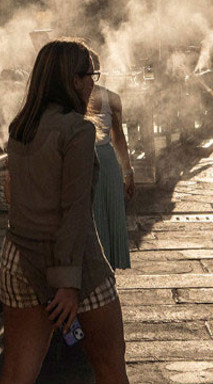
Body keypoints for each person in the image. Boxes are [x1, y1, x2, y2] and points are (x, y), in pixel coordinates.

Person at [0, 39, 127, 384]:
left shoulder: (21, 126)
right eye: (90, 75)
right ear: (73, 80)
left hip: (17, 257)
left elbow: (14, 195)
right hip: (73, 264)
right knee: (110, 368)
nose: (93, 83)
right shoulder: (78, 130)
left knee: (17, 371)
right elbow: (74, 212)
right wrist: (69, 284)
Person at [88, 60, 133, 271]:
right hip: (87, 161)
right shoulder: (67, 100)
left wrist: (128, 171)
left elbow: (119, 137)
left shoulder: (112, 99)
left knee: (105, 216)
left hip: (105, 163)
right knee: (93, 217)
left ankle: (107, 273)